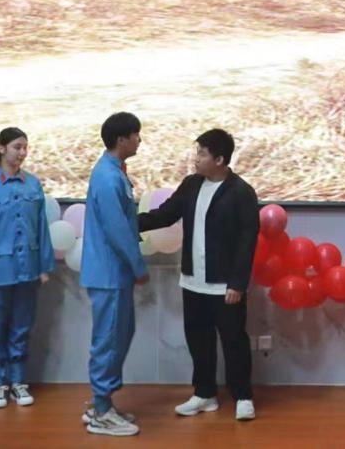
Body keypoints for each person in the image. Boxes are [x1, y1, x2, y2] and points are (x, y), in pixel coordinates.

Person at [138, 128, 260, 421]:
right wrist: (126, 222)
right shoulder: (191, 184)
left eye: (202, 154)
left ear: (219, 159)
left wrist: (238, 283)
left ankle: (243, 396)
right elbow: (165, 215)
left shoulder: (241, 192)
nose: (196, 159)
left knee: (233, 340)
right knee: (198, 339)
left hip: (225, 285)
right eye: (197, 152)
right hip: (193, 281)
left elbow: (247, 242)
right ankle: (205, 394)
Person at [0, 127, 55, 409]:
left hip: (27, 269)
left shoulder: (33, 185)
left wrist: (44, 266)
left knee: (22, 327)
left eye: (25, 147)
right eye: (17, 147)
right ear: (1, 148)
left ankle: (18, 381)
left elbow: (41, 228)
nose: (22, 152)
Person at [79, 112, 150, 437]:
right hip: (109, 273)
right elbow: (118, 230)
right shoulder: (108, 177)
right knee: (109, 340)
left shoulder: (114, 171)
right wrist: (138, 266)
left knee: (119, 335)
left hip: (113, 273)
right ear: (122, 139)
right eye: (136, 135)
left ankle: (102, 404)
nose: (139, 140)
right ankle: (101, 411)